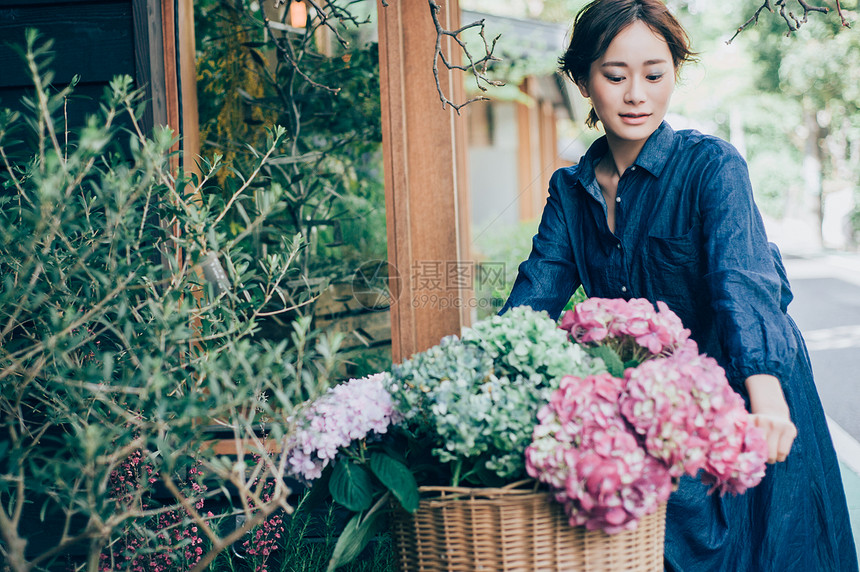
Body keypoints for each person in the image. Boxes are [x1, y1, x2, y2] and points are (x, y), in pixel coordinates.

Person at [500, 0, 859, 570]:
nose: (636, 94)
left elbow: (741, 284)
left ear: (674, 74)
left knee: (773, 551)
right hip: (659, 406)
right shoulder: (569, 191)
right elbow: (531, 300)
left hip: (750, 384)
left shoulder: (712, 166)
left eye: (654, 74)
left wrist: (767, 403)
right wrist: (486, 380)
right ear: (583, 80)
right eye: (615, 76)